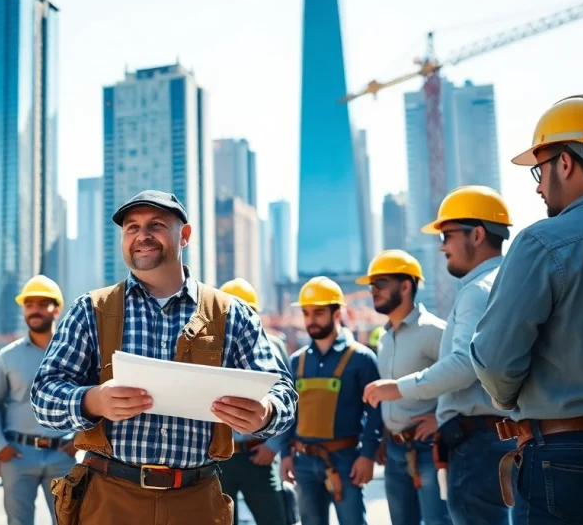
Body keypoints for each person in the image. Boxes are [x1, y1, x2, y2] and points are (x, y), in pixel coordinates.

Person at [31, 190, 297, 525]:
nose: (142, 235)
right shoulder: (91, 310)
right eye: (132, 227)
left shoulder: (232, 314)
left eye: (156, 225)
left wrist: (266, 412)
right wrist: (93, 401)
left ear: (184, 235)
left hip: (197, 502)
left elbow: (283, 392)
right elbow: (43, 396)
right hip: (110, 501)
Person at [471, 94, 583, 523]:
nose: (537, 185)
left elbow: (496, 360)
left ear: (567, 163)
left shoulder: (544, 243)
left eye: (540, 169)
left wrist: (506, 399)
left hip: (568, 458)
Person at [363, 186, 518, 525]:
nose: (442, 246)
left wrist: (399, 388)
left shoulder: (477, 292)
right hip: (495, 437)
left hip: (477, 442)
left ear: (476, 234)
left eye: (447, 235)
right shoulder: (510, 281)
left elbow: (466, 363)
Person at [279, 276, 382, 525]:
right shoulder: (297, 361)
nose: (311, 320)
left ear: (337, 313)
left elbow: (376, 413)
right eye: (306, 313)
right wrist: (285, 454)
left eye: (319, 312)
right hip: (303, 462)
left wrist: (367, 455)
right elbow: (288, 412)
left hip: (346, 460)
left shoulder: (362, 358)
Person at [358, 250, 450, 525]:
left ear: (406, 285)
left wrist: (439, 418)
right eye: (372, 285)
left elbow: (462, 379)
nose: (373, 291)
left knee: (438, 522)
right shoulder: (384, 338)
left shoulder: (436, 331)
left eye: (381, 283)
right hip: (395, 449)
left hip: (429, 448)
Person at [0, 275, 77, 525]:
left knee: (68, 521)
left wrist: (80, 441)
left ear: (56, 309)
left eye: (41, 303)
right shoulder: (7, 357)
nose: (34, 309)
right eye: (29, 304)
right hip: (17, 455)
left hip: (63, 454)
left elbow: (90, 399)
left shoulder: (74, 354)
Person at [217, 277, 295, 525]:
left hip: (257, 454)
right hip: (220, 457)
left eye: (246, 311)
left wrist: (273, 446)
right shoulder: (208, 348)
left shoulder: (273, 346)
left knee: (274, 519)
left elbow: (287, 398)